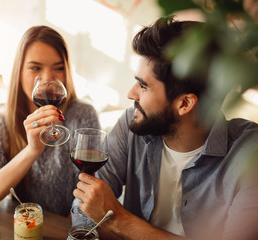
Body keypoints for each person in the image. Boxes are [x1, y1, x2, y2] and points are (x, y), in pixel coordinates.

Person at [72, 17, 258, 239]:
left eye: (143, 86)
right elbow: (82, 213)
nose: (131, 94)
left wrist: (118, 220)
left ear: (184, 104)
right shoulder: (132, 124)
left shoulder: (250, 157)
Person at [0, 25, 100, 216]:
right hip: (24, 227)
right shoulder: (2, 117)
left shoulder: (83, 115)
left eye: (58, 68)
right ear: (19, 71)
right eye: (35, 68)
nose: (48, 79)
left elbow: (89, 192)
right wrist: (32, 150)